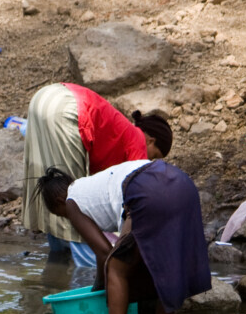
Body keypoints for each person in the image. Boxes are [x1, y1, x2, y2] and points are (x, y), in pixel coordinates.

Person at [39, 160, 211, 314]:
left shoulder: (71, 202)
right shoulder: (92, 185)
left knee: (115, 267)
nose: (68, 219)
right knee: (167, 263)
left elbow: (104, 253)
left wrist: (99, 289)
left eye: (62, 216)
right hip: (182, 183)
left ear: (60, 202)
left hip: (146, 189)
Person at [21, 82, 173, 266]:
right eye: (154, 156)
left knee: (52, 189)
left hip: (44, 98)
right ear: (150, 141)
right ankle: (87, 271)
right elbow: (136, 201)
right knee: (72, 200)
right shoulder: (138, 142)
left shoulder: (120, 130)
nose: (149, 162)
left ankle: (57, 261)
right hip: (68, 109)